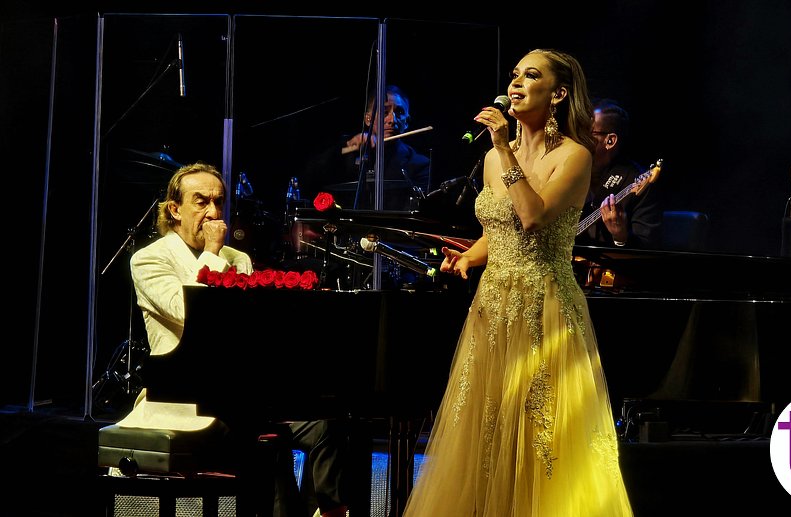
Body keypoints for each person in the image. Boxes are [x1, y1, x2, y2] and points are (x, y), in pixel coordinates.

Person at [401, 49, 633, 516]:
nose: (516, 83)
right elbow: (500, 229)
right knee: (487, 429)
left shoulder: (574, 156)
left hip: (544, 307)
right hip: (493, 307)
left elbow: (532, 217)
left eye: (531, 75)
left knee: (539, 434)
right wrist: (469, 257)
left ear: (558, 93)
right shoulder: (492, 159)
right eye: (514, 75)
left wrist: (505, 147)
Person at [119, 161, 349, 517]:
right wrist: (211, 254)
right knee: (263, 443)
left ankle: (327, 511)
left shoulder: (237, 258)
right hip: (185, 396)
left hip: (242, 391)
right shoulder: (149, 259)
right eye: (201, 202)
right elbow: (186, 311)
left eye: (219, 202)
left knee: (328, 422)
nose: (214, 213)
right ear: (175, 209)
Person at [303, 84, 431, 212]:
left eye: (400, 112)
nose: (392, 120)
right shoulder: (346, 153)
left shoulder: (419, 164)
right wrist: (344, 147)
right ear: (368, 119)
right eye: (384, 112)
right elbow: (309, 178)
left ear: (407, 121)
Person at [577, 98, 662, 249]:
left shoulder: (639, 181)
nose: (578, 138)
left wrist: (621, 237)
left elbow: (648, 249)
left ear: (610, 141)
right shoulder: (572, 173)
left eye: (588, 132)